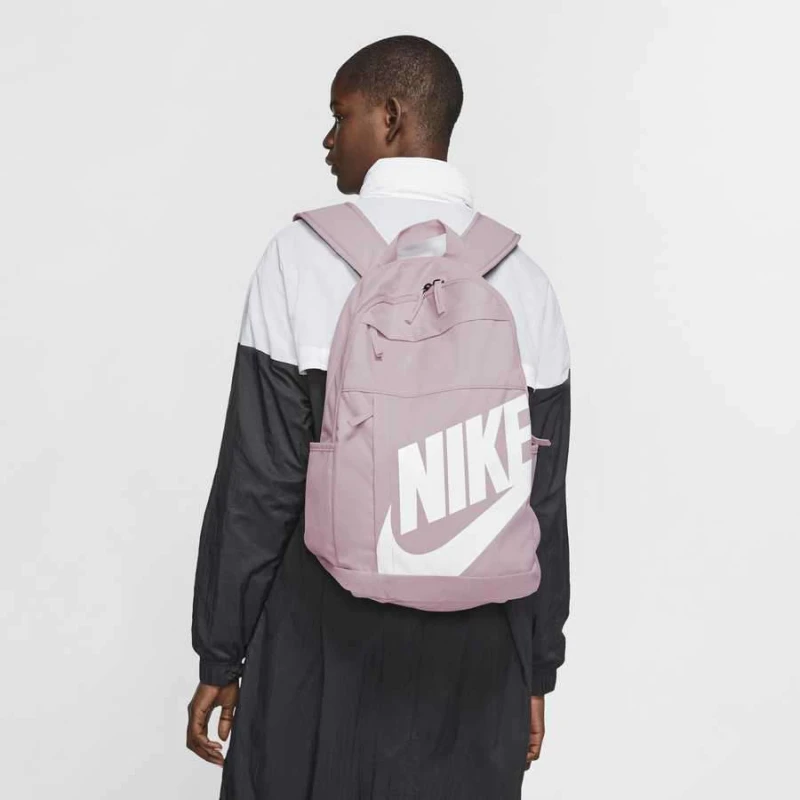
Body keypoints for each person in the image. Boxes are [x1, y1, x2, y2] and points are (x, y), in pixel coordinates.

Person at [186, 34, 571, 800]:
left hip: (319, 646)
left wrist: (220, 653)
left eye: (342, 115)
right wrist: (534, 668)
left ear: (390, 117)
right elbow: (543, 502)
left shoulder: (298, 259)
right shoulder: (525, 282)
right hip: (477, 661)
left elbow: (259, 483)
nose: (329, 140)